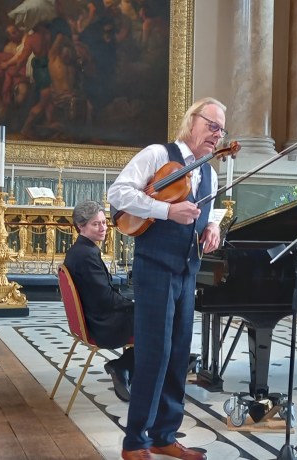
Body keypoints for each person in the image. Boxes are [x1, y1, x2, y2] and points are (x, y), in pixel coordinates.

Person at [107, 97, 227, 460]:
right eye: (212, 125)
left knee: (178, 356)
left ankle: (164, 435)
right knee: (153, 354)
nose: (217, 135)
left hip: (187, 270)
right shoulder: (158, 154)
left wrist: (213, 226)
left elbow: (210, 209)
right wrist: (166, 210)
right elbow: (118, 194)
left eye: (222, 130)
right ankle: (135, 442)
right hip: (155, 267)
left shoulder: (211, 171)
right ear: (193, 121)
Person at [63, 200, 135, 402]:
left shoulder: (81, 251)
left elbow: (103, 294)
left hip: (96, 317)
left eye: (104, 222)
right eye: (96, 224)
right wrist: (134, 304)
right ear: (81, 226)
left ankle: (133, 370)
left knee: (151, 318)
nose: (103, 228)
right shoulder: (86, 255)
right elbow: (105, 298)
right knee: (158, 322)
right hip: (103, 325)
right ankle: (122, 367)